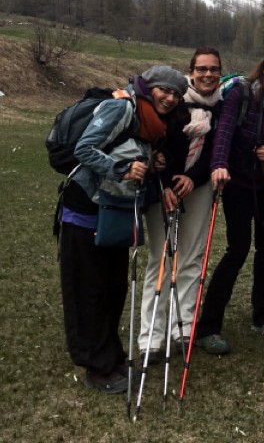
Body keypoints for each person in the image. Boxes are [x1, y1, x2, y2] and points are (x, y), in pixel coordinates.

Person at [57, 65, 188, 394]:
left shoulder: (149, 122)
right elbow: (84, 150)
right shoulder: (123, 107)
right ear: (148, 88)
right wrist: (122, 168)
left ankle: (111, 357)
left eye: (176, 93)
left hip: (114, 211)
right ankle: (96, 367)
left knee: (111, 289)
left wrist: (150, 161)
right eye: (164, 90)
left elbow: (128, 149)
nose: (170, 98)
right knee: (88, 290)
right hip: (85, 209)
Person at [194, 50, 264, 354]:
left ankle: (263, 316)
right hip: (238, 181)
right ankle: (208, 326)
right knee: (237, 250)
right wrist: (218, 165)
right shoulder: (240, 93)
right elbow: (224, 131)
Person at [137, 48, 224, 363]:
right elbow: (159, 146)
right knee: (160, 260)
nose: (207, 75)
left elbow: (217, 149)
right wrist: (168, 183)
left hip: (198, 187)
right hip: (165, 188)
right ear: (192, 71)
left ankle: (183, 327)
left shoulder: (222, 106)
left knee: (191, 257)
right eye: (201, 69)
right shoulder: (173, 100)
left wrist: (193, 178)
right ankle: (151, 337)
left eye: (213, 69)